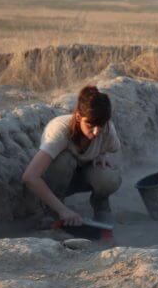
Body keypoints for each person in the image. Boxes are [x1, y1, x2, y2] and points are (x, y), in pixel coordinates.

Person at [22, 86, 122, 226]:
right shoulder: (60, 131)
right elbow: (30, 177)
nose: (96, 131)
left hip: (82, 175)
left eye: (101, 125)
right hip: (56, 179)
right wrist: (63, 210)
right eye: (90, 125)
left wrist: (101, 154)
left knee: (108, 177)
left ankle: (101, 204)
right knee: (64, 161)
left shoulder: (107, 129)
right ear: (78, 116)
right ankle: (52, 210)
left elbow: (111, 146)